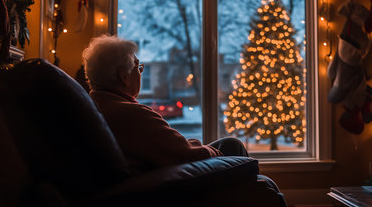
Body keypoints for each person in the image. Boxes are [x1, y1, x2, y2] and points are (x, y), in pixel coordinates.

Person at [82, 34, 248, 173]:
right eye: (138, 67)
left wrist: (194, 145)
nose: (140, 72)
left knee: (227, 144)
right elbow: (184, 154)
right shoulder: (131, 114)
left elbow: (168, 146)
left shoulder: (92, 108)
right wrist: (215, 153)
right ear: (123, 76)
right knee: (232, 146)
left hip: (149, 176)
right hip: (164, 186)